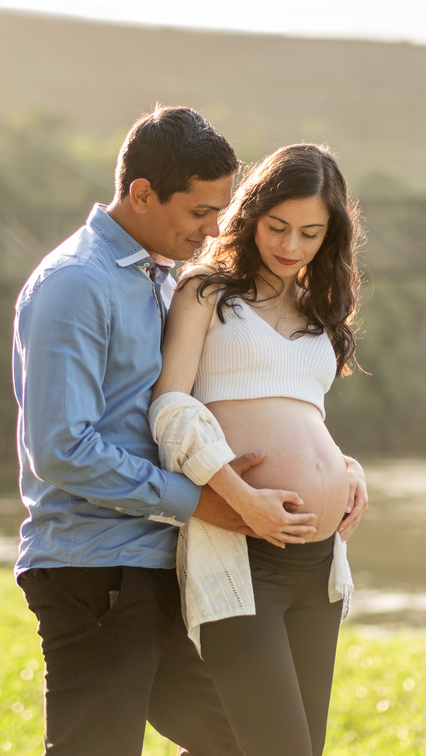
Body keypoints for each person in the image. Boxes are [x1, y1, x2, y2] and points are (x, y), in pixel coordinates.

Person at [12, 106, 343, 756]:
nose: (215, 228)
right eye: (200, 212)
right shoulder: (77, 284)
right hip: (98, 565)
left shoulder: (161, 278)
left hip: (160, 559)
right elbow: (62, 450)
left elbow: (214, 398)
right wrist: (205, 501)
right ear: (141, 194)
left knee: (246, 744)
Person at [149, 143, 368, 756]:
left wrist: (347, 469)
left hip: (319, 563)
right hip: (245, 553)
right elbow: (169, 407)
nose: (291, 245)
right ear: (251, 212)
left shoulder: (318, 312)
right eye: (278, 226)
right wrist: (240, 496)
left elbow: (302, 416)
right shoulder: (207, 291)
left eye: (310, 232)